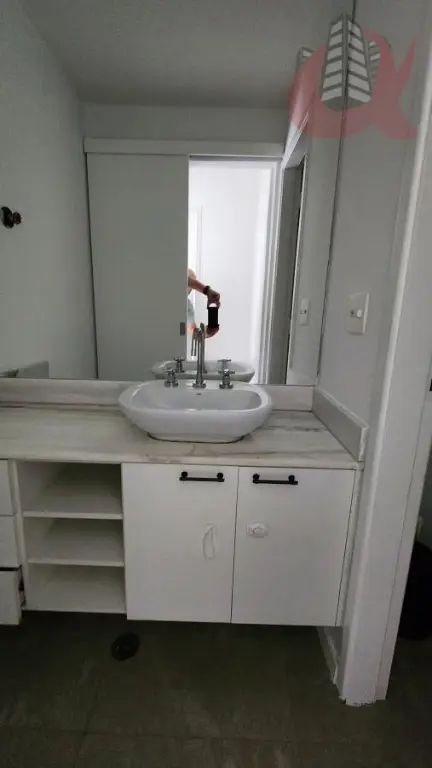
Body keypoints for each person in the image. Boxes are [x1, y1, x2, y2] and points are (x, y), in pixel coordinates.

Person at [187, 269, 220, 338]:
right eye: (193, 283)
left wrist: (206, 332)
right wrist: (207, 290)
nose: (191, 287)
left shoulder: (188, 306)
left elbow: (191, 329)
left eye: (192, 287)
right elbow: (185, 280)